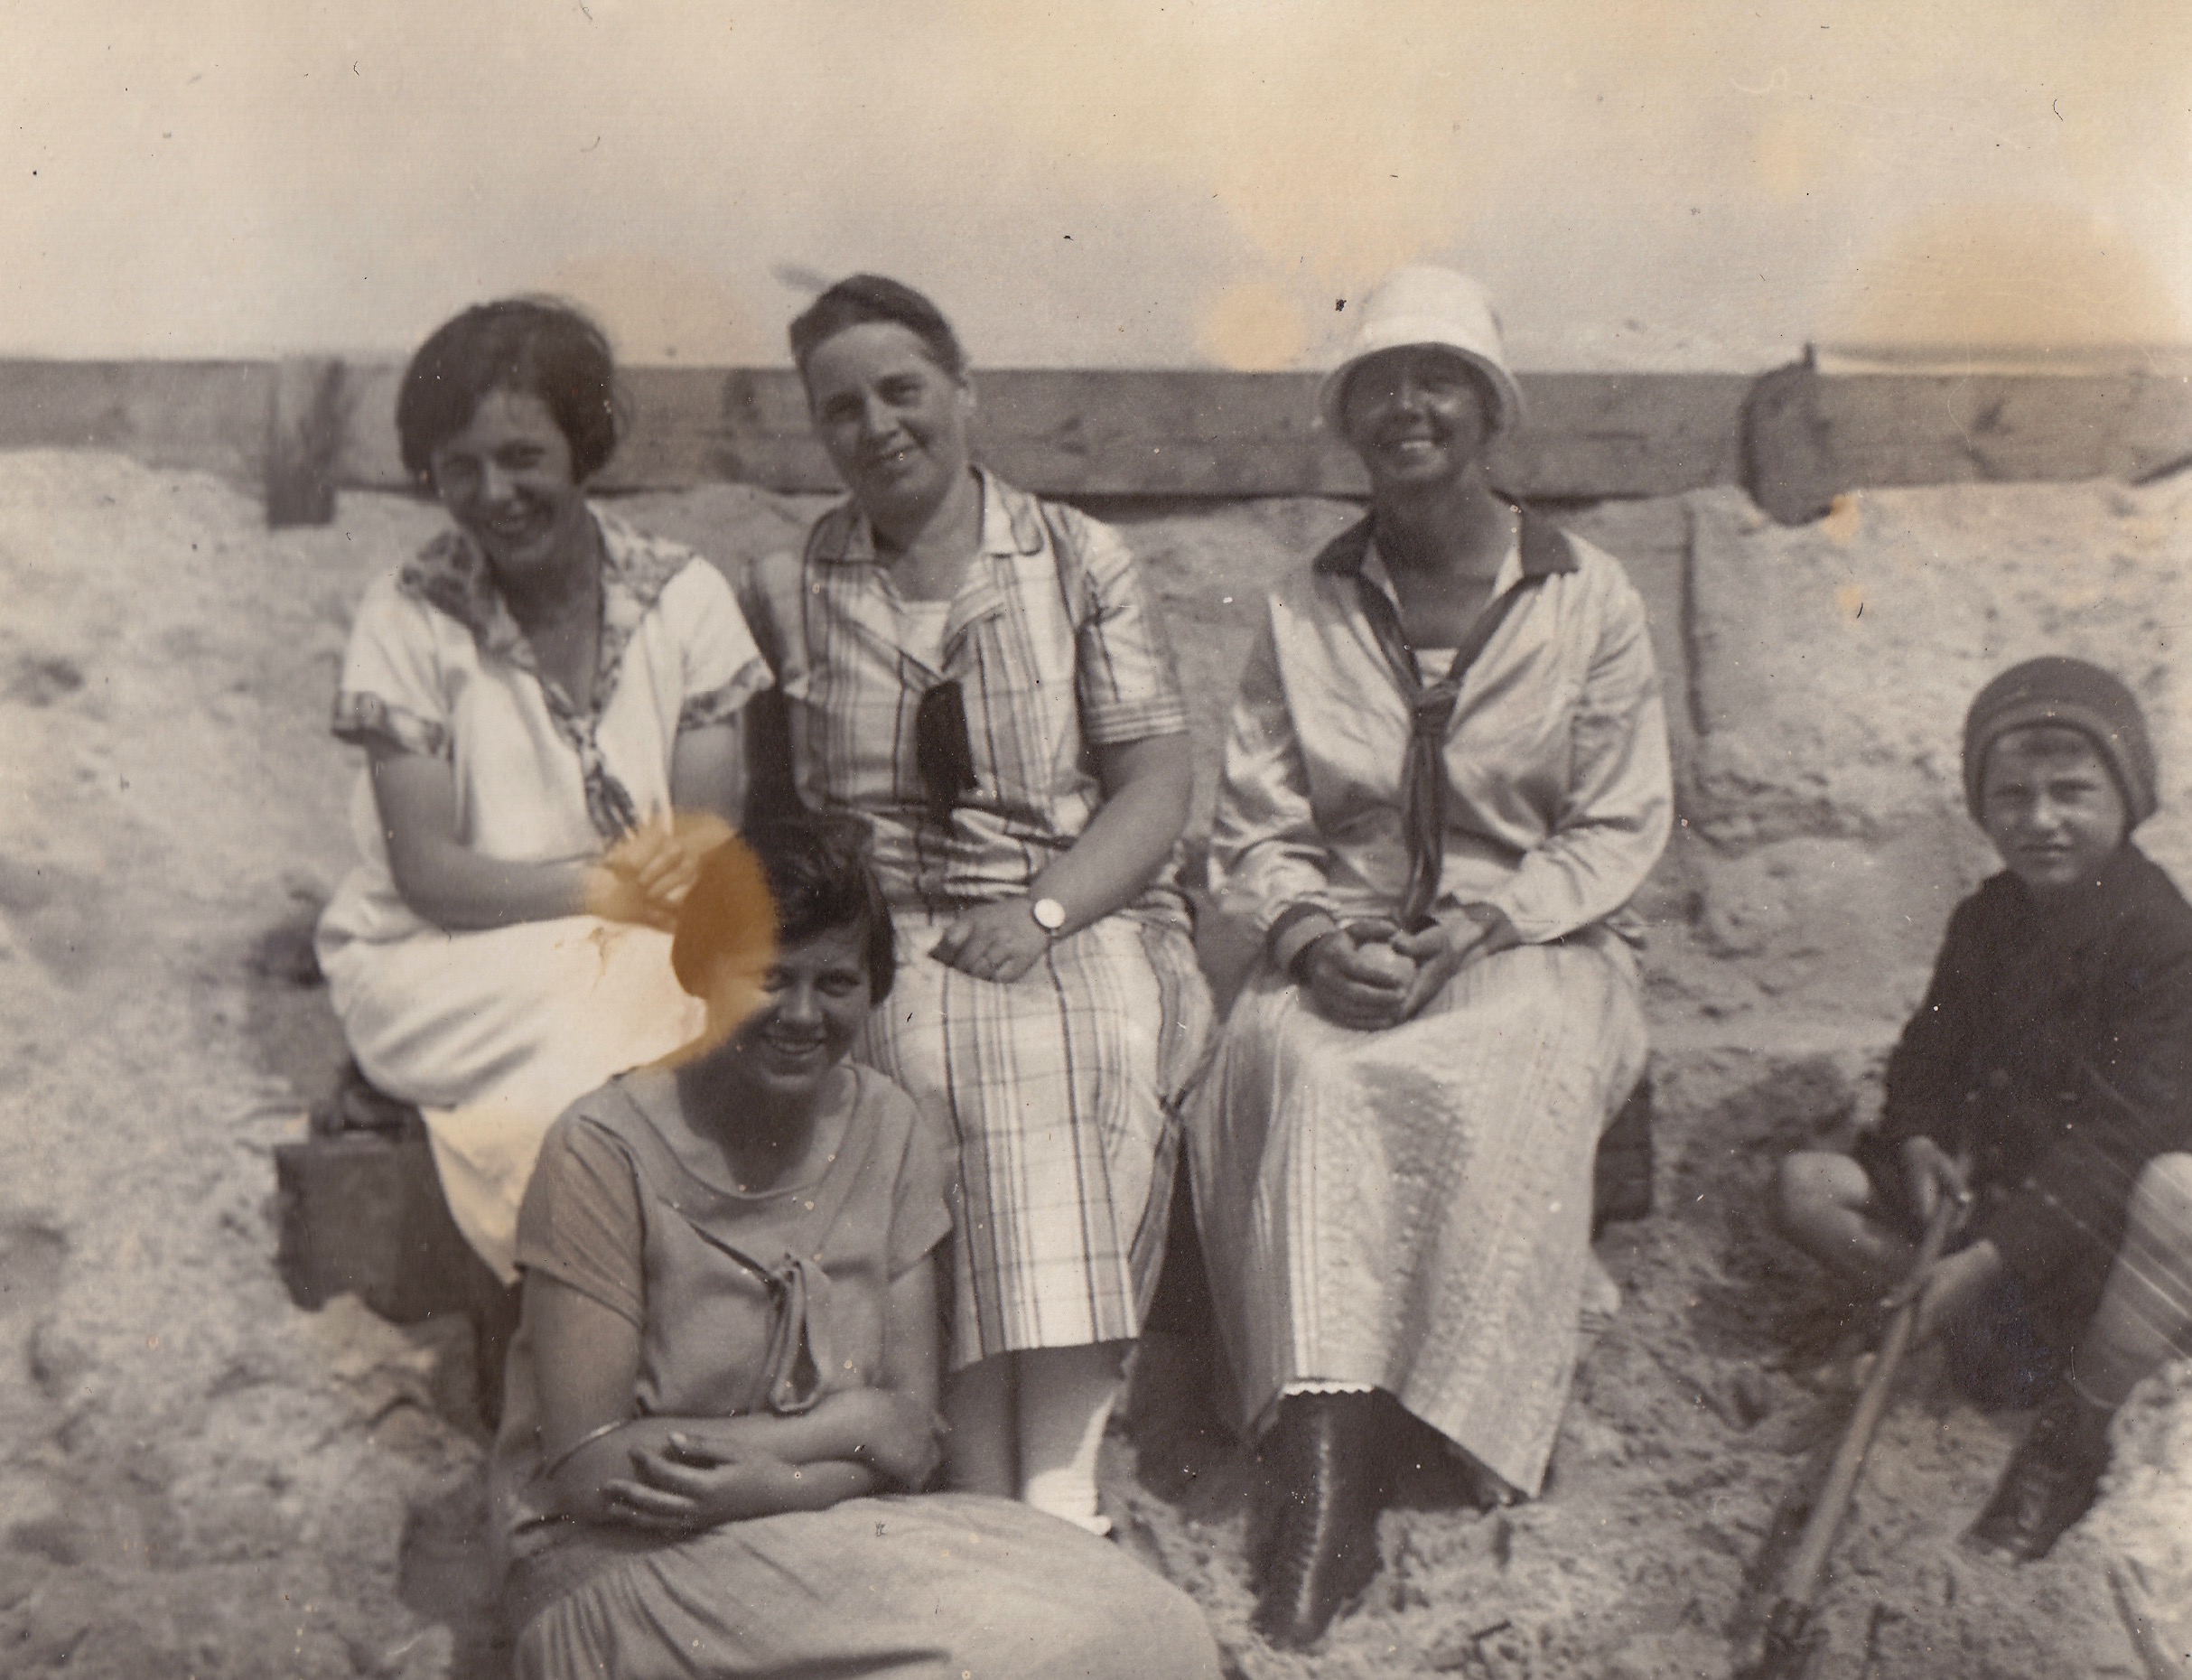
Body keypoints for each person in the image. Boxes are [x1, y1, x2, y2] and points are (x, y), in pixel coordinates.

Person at [1189, 266, 1674, 1648]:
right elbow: (1256, 824)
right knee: (1295, 1064)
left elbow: (1616, 822)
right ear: (1349, 422)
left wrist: (1477, 926)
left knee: (1499, 1057)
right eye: (1379, 385)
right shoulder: (1304, 606)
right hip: (1342, 938)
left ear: (1486, 409)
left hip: (1535, 936)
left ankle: (1446, 1425)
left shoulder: (1589, 600)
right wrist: (1306, 938)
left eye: (1438, 379)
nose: (1408, 407)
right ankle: (1323, 1464)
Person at [490, 817, 1226, 1680]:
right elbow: (591, 1467)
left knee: (1159, 1624)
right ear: (699, 973)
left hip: (809, 1534)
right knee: (1052, 1654)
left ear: (873, 988)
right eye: (769, 977)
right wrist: (845, 1427)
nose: (802, 1015)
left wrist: (782, 1483)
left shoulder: (884, 1128)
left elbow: (910, 1437)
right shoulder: (601, 1150)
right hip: (622, 1574)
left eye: (835, 982)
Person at [737, 275, 1212, 1534]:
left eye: (902, 391)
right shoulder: (797, 582)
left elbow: (1154, 781)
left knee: (1082, 1042)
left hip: (1079, 906)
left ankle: (1053, 1488)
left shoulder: (1074, 557)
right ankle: (985, 1487)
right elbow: (794, 812)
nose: (878, 426)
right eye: (840, 409)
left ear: (962, 393)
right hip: (892, 928)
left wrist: (1046, 913)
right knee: (918, 1061)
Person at [315, 298, 768, 1283]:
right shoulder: (408, 616)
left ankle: (592, 1320)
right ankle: (591, 1315)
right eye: (458, 465)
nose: (492, 492)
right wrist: (601, 891)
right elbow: (432, 876)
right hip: (441, 963)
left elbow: (702, 838)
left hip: (638, 943)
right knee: (636, 1019)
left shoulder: (682, 598)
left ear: (583, 445)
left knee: (674, 998)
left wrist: (638, 900)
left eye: (523, 456)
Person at [1777, 657, 2192, 1563]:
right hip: (1990, 1202)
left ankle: (2056, 1433)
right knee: (1809, 1186)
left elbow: (2121, 1145)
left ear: (2127, 798)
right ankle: (1959, 1324)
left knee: (2173, 1198)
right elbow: (1928, 1050)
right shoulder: (1988, 917)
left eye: (2072, 793)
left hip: (2093, 1229)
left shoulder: (2162, 938)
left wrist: (1988, 1262)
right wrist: (1919, 1136)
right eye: (2012, 796)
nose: (2040, 821)